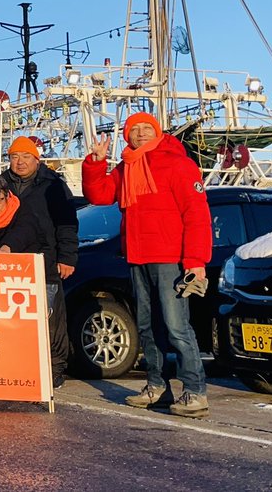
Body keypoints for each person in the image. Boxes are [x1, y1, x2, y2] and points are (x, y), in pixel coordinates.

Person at [82, 112, 211, 417]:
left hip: (170, 259)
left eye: (145, 128)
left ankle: (195, 392)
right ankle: (157, 387)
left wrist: (195, 261)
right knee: (147, 327)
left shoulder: (179, 164)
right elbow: (99, 195)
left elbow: (197, 215)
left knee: (176, 326)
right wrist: (95, 163)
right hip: (137, 257)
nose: (139, 133)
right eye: (134, 129)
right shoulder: (128, 166)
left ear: (157, 131)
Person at [1, 136, 78, 387]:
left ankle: (55, 368)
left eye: (25, 157)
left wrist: (67, 257)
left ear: (37, 159)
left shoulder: (53, 185)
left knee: (50, 317)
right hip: (11, 262)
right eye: (15, 157)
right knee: (13, 317)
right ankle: (18, 365)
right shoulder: (1, 184)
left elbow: (67, 223)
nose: (20, 162)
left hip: (45, 260)